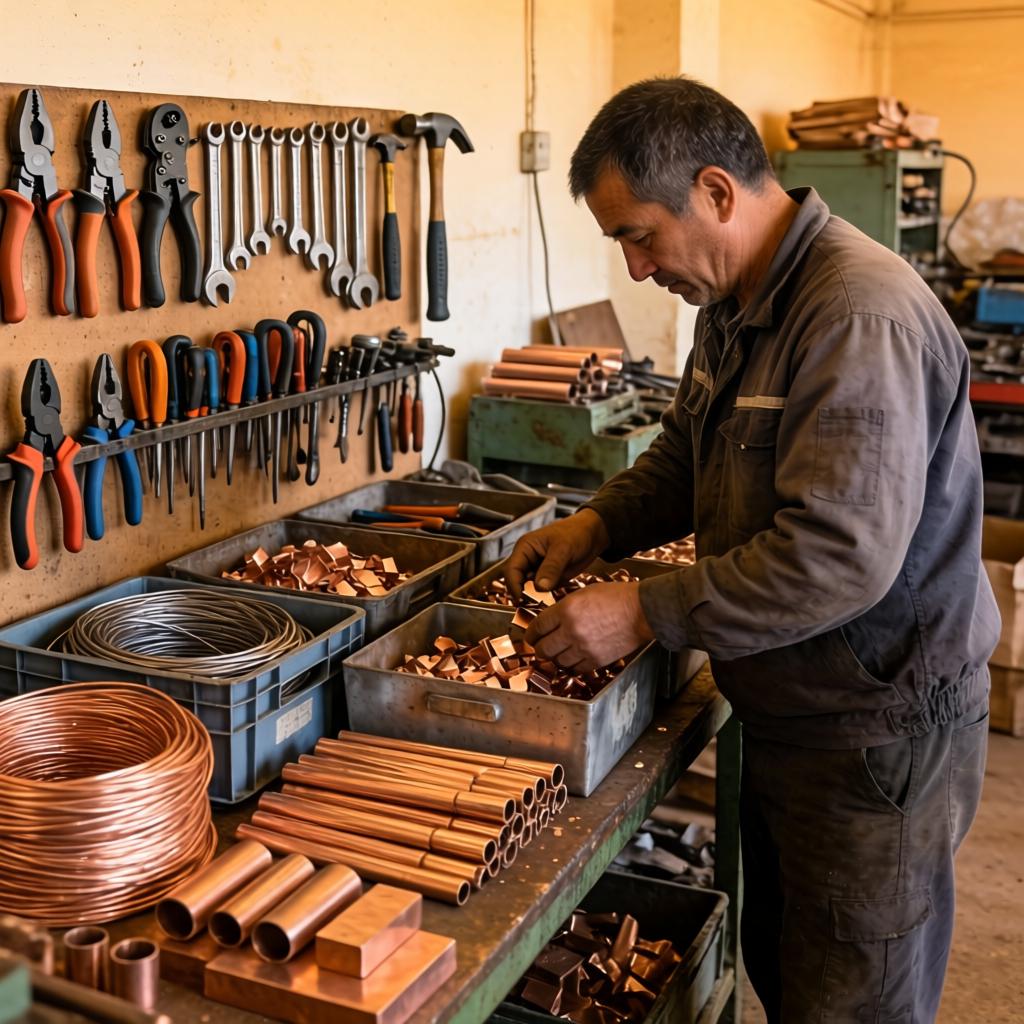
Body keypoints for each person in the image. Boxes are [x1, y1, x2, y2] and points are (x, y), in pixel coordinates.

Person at [506, 77, 999, 1023]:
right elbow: (688, 453)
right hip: (794, 708)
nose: (639, 270)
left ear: (717, 193)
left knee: (853, 1003)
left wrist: (644, 609)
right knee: (792, 973)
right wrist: (597, 525)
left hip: (877, 732)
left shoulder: (855, 316)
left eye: (639, 236)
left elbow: (839, 556)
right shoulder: (735, 304)